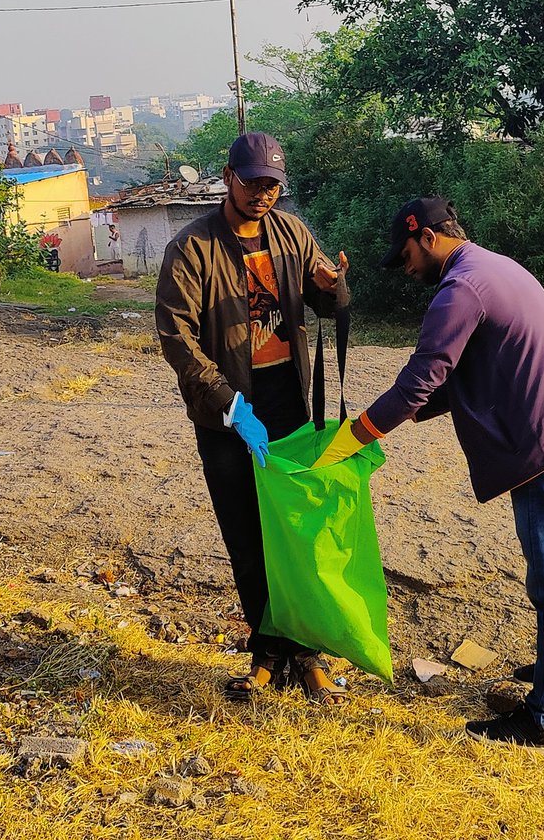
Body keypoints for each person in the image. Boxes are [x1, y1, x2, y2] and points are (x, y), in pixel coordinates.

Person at [349, 198, 544, 753]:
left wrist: (360, 434)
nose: (408, 268)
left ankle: (543, 721)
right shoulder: (492, 266)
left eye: (407, 255)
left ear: (426, 237)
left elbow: (424, 375)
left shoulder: (460, 289)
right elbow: (459, 374)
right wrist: (412, 410)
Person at [155, 131, 350, 704]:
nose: (264, 194)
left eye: (273, 185)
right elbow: (175, 333)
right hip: (226, 411)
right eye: (253, 182)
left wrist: (333, 288)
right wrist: (225, 401)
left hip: (287, 399)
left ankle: (307, 657)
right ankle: (267, 655)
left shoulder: (291, 234)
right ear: (228, 177)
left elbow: (322, 302)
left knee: (295, 533)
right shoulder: (191, 249)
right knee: (246, 534)